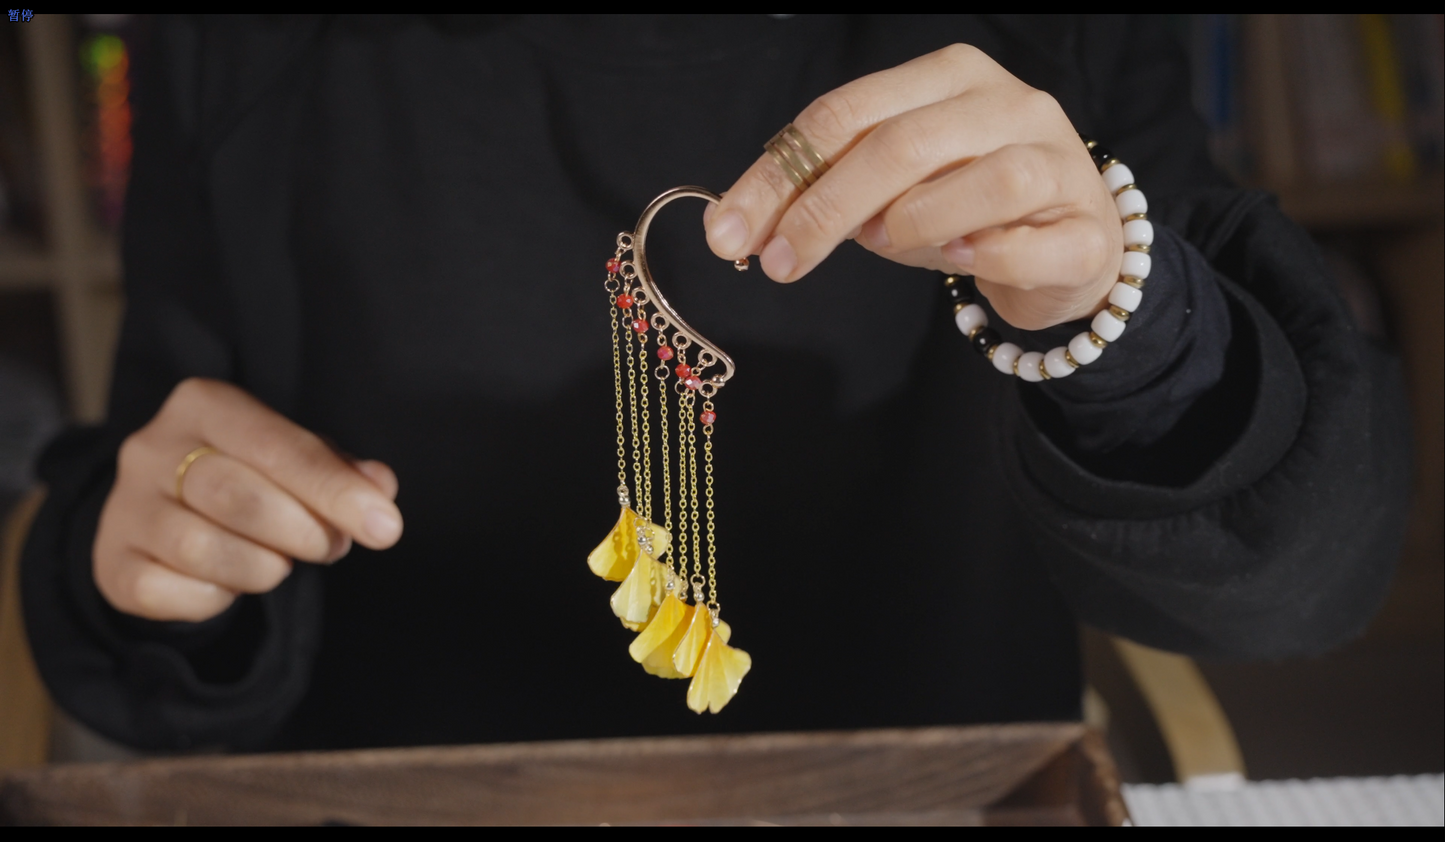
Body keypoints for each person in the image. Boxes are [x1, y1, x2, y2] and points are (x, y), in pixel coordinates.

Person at [22, 15, 1409, 752]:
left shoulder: (1046, 35)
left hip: (919, 803)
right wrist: (150, 556)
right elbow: (149, 498)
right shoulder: (243, 46)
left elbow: (1298, 568)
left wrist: (1114, 310)